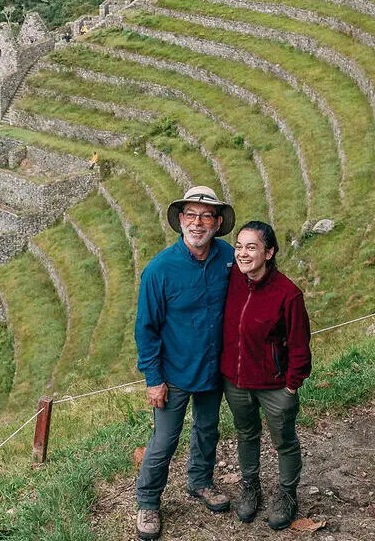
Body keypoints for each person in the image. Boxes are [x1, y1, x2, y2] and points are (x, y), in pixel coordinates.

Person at [134, 185, 236, 540]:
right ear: (180, 220)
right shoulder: (159, 270)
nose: (197, 223)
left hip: (212, 368)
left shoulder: (227, 257)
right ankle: (148, 502)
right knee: (164, 440)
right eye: (191, 215)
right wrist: (153, 378)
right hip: (173, 373)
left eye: (206, 216)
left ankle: (200, 482)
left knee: (208, 430)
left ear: (217, 222)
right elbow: (146, 329)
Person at [219, 220, 312, 530]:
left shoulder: (288, 294)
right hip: (236, 381)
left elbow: (300, 348)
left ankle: (286, 494)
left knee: (284, 441)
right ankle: (250, 487)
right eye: (239, 246)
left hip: (274, 386)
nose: (243, 253)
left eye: (252, 247)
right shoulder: (232, 278)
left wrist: (290, 388)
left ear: (269, 252)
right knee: (246, 434)